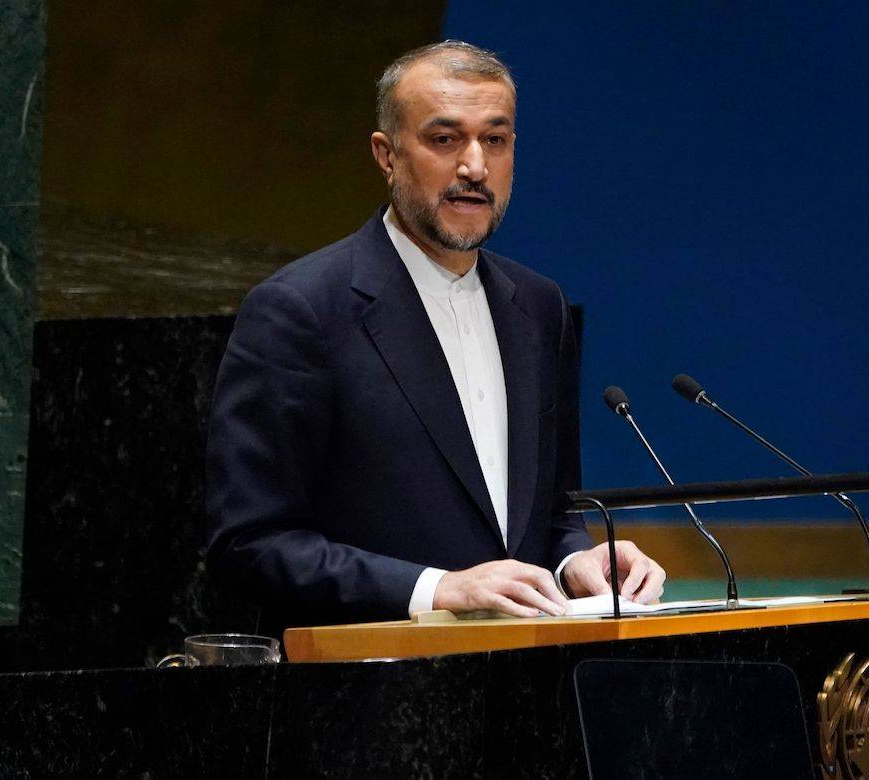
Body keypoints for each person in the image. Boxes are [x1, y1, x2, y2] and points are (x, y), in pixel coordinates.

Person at [205, 41, 665, 627]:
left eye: (494, 141)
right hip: (373, 691)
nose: (474, 167)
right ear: (386, 154)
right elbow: (249, 544)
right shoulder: (300, 311)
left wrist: (576, 560)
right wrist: (436, 589)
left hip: (527, 688)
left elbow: (551, 519)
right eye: (444, 140)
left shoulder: (540, 308)